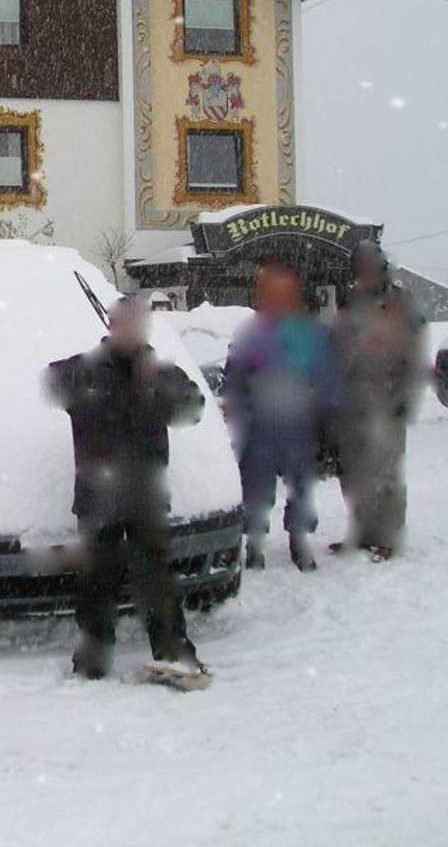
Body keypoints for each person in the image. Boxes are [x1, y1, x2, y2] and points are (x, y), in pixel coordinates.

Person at [45, 294, 210, 688]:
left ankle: (172, 653)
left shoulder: (159, 374)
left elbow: (194, 409)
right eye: (126, 323)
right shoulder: (83, 371)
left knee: (155, 579)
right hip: (97, 498)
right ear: (111, 325)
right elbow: (52, 380)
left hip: (144, 496)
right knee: (97, 582)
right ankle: (93, 659)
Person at [222, 261, 339, 572]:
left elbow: (326, 379)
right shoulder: (249, 335)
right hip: (259, 426)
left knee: (301, 487)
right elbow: (233, 379)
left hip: (298, 424)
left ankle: (299, 539)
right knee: (256, 488)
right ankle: (255, 543)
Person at [330, 242, 426, 561]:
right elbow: (337, 346)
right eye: (360, 269)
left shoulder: (401, 303)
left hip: (388, 398)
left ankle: (388, 537)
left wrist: (405, 396)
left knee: (385, 472)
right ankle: (361, 533)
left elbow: (414, 354)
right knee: (354, 472)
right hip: (353, 400)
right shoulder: (350, 302)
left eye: (370, 267)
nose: (365, 274)